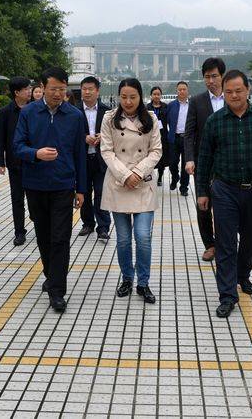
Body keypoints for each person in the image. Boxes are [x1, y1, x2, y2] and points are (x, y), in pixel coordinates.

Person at [195, 70, 252, 318]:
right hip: (224, 190)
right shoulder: (215, 121)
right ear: (223, 92)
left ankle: (243, 276)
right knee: (225, 242)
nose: (234, 95)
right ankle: (227, 294)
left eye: (238, 90)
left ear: (247, 90)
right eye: (229, 91)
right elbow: (205, 160)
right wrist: (203, 191)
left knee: (250, 238)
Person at [13, 66, 86, 313]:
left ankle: (57, 291)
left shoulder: (75, 116)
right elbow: (17, 146)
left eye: (62, 89)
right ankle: (51, 274)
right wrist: (36, 154)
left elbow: (80, 155)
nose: (58, 94)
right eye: (53, 89)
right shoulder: (29, 113)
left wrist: (81, 189)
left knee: (60, 237)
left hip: (63, 186)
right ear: (42, 87)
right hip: (35, 185)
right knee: (44, 236)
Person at [100, 78, 162, 304]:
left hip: (143, 184)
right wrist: (125, 175)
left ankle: (143, 283)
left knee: (143, 237)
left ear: (140, 96)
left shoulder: (151, 119)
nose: (128, 101)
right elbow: (106, 151)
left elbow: (156, 151)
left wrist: (137, 173)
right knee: (124, 239)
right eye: (124, 97)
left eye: (132, 97)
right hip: (119, 184)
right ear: (118, 96)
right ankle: (127, 278)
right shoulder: (109, 118)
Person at [184, 57, 226, 262]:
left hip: (228, 165)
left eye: (215, 76)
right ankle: (209, 244)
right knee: (203, 204)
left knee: (225, 206)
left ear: (222, 76)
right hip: (203, 163)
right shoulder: (197, 102)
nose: (211, 80)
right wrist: (189, 159)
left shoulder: (233, 98)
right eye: (207, 77)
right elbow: (189, 133)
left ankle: (225, 243)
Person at [0, 76, 32, 246]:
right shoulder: (5, 112)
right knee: (17, 198)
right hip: (15, 163)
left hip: (34, 162)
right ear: (17, 92)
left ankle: (39, 224)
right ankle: (19, 231)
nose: (29, 91)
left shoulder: (35, 109)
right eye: (26, 89)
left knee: (34, 197)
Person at [76, 76, 112, 240]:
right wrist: (84, 137)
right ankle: (88, 224)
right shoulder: (73, 111)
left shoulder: (107, 111)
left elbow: (114, 134)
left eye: (91, 89)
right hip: (82, 159)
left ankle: (103, 227)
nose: (87, 92)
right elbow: (68, 135)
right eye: (84, 88)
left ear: (98, 91)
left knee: (101, 193)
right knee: (83, 190)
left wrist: (102, 137)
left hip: (100, 160)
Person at [166, 81, 190, 195]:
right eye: (179, 89)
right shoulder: (171, 105)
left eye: (184, 89)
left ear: (187, 90)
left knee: (186, 164)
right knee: (172, 163)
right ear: (177, 91)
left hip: (187, 139)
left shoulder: (192, 105)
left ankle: (184, 188)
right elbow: (167, 120)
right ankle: (175, 177)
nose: (182, 91)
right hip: (174, 138)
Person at [146, 86, 169, 186]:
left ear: (161, 95)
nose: (156, 96)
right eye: (154, 94)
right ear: (151, 95)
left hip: (163, 135)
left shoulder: (165, 107)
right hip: (150, 135)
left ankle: (160, 177)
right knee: (149, 156)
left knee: (161, 157)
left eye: (158, 94)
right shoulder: (147, 107)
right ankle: (148, 175)